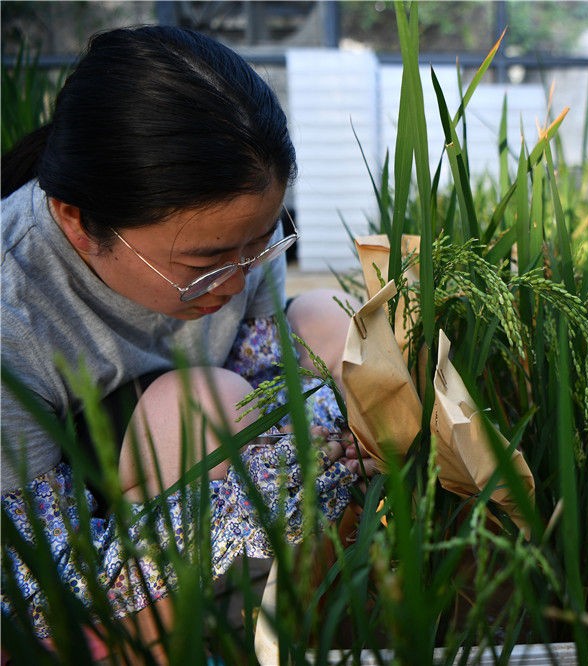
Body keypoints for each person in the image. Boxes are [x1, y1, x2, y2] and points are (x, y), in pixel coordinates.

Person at [1, 26, 367, 659]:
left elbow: (263, 359)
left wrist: (335, 422)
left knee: (325, 317)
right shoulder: (13, 317)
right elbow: (39, 579)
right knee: (201, 402)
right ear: (77, 221)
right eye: (209, 261)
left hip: (187, 480)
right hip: (84, 564)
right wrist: (289, 466)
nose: (243, 273)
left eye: (265, 240)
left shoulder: (237, 240)